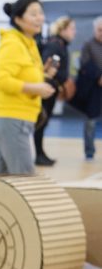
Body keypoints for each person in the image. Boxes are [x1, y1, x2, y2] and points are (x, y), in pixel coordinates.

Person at [0, 0, 58, 177]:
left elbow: (24, 75)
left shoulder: (29, 44)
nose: (39, 18)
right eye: (33, 14)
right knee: (26, 180)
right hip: (12, 120)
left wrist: (44, 75)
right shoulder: (13, 44)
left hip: (16, 121)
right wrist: (36, 89)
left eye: (41, 13)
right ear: (18, 19)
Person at [35, 16, 77, 166]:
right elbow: (48, 68)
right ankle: (38, 154)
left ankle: (40, 153)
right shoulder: (55, 44)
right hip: (46, 90)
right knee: (41, 123)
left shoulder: (61, 44)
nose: (74, 32)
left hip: (51, 89)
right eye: (72, 28)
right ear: (63, 29)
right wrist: (62, 80)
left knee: (43, 123)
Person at [78, 17, 102, 160]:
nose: (101, 33)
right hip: (93, 89)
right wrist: (99, 76)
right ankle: (89, 151)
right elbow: (85, 64)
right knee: (90, 121)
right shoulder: (88, 44)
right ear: (94, 30)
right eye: (99, 30)